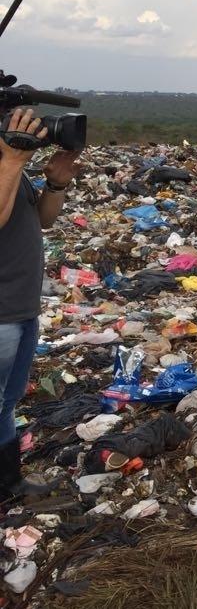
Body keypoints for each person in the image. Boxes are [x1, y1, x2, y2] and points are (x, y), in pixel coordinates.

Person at [0, 108, 83, 501]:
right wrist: (14, 159)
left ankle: (9, 484)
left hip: (21, 308)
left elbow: (42, 221)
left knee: (6, 403)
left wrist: (55, 184)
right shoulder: (8, 165)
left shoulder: (10, 168)